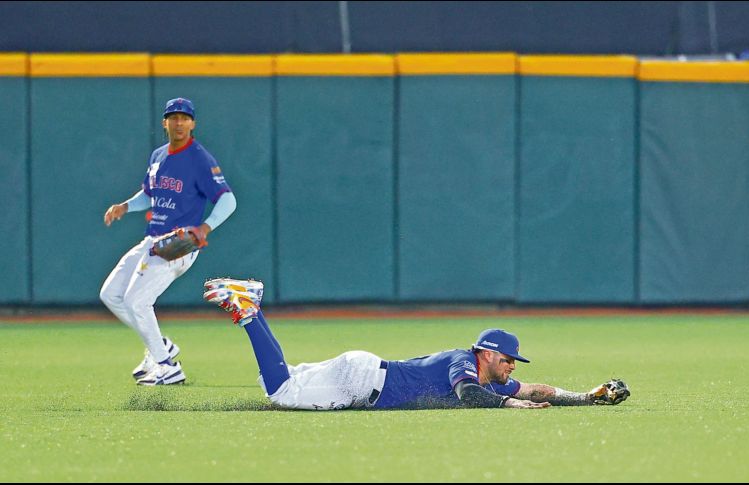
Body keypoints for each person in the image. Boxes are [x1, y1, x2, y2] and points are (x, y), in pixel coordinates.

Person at [202, 278, 630, 410]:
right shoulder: (464, 363)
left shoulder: (488, 378)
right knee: (280, 391)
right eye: (507, 358)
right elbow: (467, 393)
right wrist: (512, 407)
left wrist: (587, 398)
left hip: (364, 371)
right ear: (485, 352)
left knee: (284, 377)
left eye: (514, 361)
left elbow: (537, 390)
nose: (513, 366)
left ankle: (252, 301)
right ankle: (247, 312)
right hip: (360, 382)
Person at [100, 98, 237, 386]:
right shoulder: (158, 155)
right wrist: (125, 206)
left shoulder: (200, 159)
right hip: (153, 238)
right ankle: (160, 345)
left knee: (136, 301)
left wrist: (206, 227)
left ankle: (167, 366)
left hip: (178, 244)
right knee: (111, 295)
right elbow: (150, 195)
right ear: (165, 123)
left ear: (192, 124)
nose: (178, 123)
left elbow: (228, 199)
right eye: (173, 117)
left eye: (184, 118)